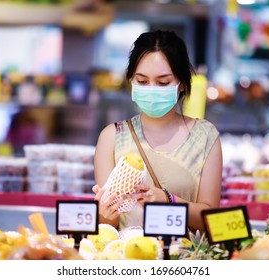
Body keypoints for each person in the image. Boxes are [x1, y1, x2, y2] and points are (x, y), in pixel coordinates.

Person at [92, 30, 223, 233]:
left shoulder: (205, 136)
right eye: (142, 81)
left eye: (163, 83)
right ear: (131, 81)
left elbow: (212, 220)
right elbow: (106, 227)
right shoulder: (111, 136)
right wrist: (105, 212)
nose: (151, 89)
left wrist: (166, 199)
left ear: (181, 84)